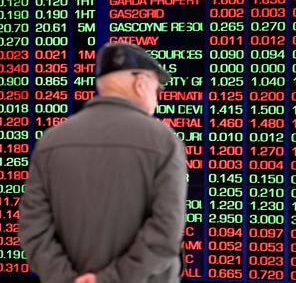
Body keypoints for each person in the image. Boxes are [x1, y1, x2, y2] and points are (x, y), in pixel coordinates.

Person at [19, 42, 188, 283]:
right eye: (156, 89)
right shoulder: (163, 141)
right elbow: (165, 231)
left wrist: (64, 278)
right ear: (139, 84)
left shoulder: (51, 140)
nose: (157, 100)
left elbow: (33, 226)